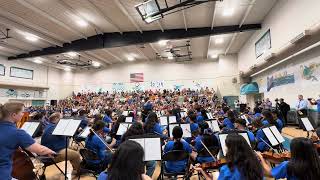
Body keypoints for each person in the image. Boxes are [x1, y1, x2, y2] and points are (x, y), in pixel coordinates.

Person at [0, 102, 55, 180]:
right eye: (22, 112)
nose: (23, 114)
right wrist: (52, 152)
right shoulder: (17, 132)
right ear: (14, 115)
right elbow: (40, 150)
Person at [195, 134, 263, 180]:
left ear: (230, 149)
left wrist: (203, 172)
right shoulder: (256, 164)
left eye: (226, 147)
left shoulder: (226, 169)